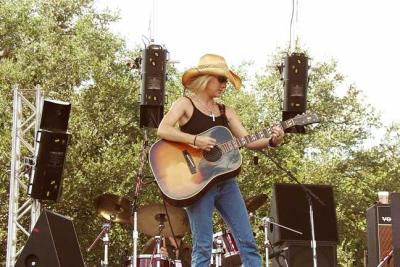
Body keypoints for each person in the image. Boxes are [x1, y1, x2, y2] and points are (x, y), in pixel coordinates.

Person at [157, 53, 285, 266]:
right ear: (206, 78)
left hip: (226, 184)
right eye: (222, 79)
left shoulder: (226, 111)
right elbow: (163, 129)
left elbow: (248, 141)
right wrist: (195, 140)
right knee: (203, 246)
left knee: (248, 242)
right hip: (197, 183)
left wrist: (273, 140)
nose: (225, 85)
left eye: (226, 80)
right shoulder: (185, 103)